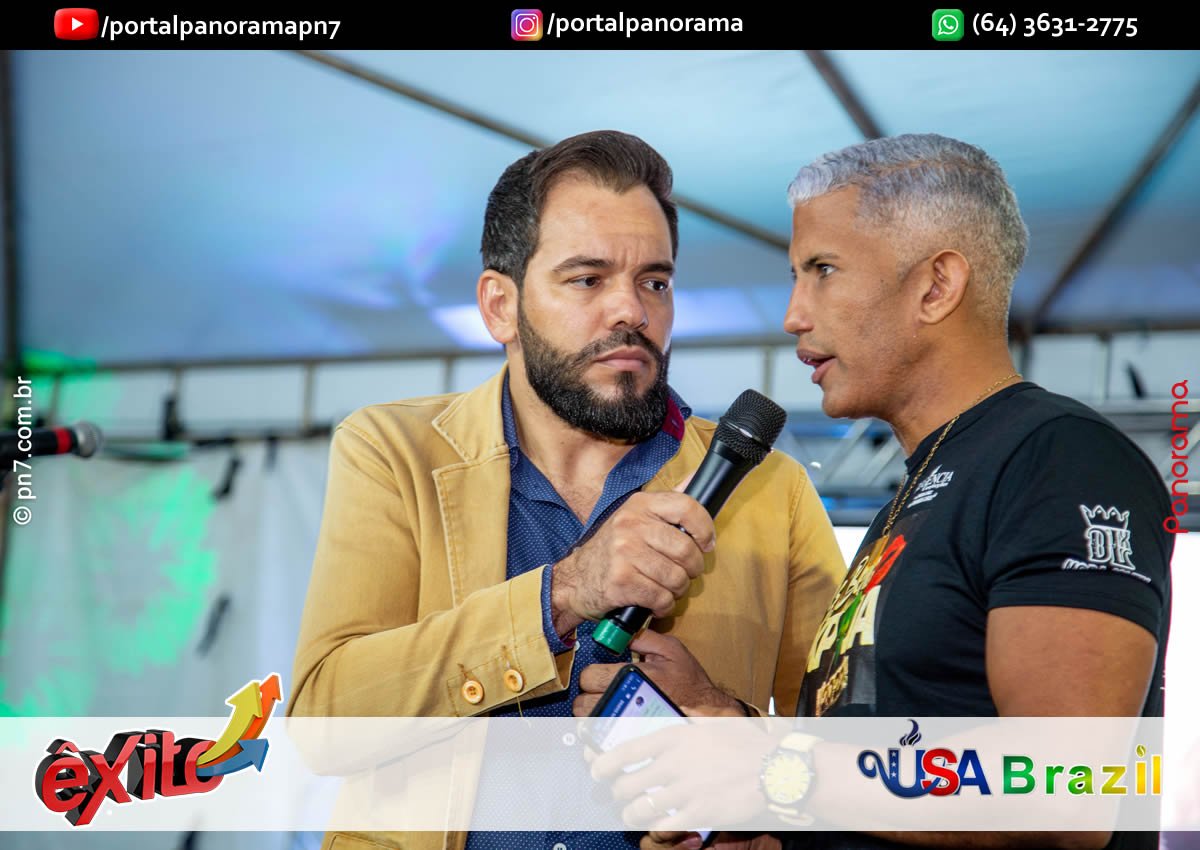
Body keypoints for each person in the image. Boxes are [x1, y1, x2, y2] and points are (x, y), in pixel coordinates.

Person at [588, 133, 1174, 850]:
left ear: (937, 286)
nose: (793, 314)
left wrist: (773, 774)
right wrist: (728, 739)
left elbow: (1065, 787)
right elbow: (872, 779)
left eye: (823, 270)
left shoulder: (1060, 457)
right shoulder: (923, 487)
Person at [286, 129, 846, 850]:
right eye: (587, 279)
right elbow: (325, 726)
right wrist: (564, 592)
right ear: (500, 306)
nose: (631, 311)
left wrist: (728, 728)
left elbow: (843, 753)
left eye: (655, 282)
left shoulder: (769, 488)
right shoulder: (396, 452)